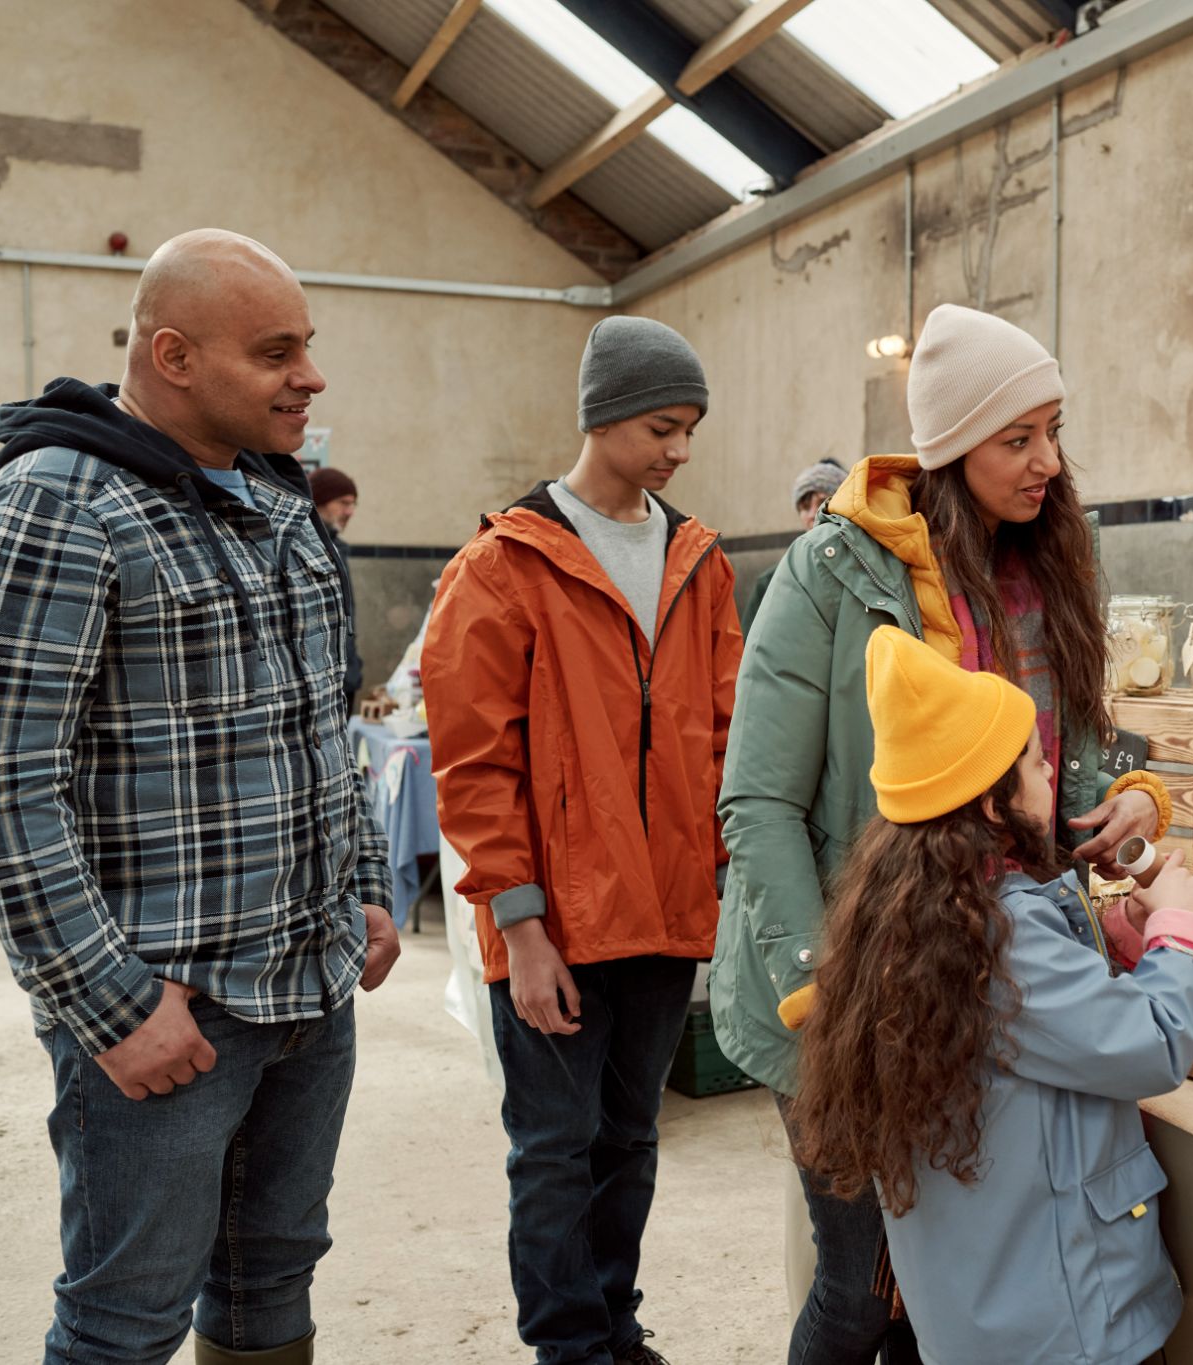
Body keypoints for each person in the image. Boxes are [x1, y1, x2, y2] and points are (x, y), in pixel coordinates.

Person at [0, 228, 399, 1365]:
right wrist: (109, 1008)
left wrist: (359, 886)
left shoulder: (280, 503)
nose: (309, 376)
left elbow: (320, 721)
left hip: (307, 997)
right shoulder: (57, 507)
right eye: (275, 352)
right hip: (169, 1017)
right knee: (123, 1322)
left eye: (306, 348)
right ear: (173, 355)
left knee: (271, 1287)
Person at [712, 303, 1177, 1364]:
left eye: (1054, 430)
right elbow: (759, 803)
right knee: (860, 1285)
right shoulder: (836, 568)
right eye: (1017, 439)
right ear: (950, 444)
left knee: (952, 1283)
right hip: (854, 974)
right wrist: (820, 984)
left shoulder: (1052, 556)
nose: (1047, 464)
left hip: (988, 963)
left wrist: (1131, 793)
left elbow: (1068, 735)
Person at [424, 316, 742, 1365]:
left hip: (664, 915)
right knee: (554, 1152)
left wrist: (725, 867)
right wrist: (518, 927)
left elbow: (733, 729)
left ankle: (612, 1320)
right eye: (662, 425)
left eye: (689, 429)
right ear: (601, 414)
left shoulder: (698, 562)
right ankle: (566, 1346)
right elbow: (473, 766)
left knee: (630, 1140)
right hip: (556, 922)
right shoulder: (503, 565)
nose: (678, 450)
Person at [791, 627, 1193, 1365]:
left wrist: (1116, 932)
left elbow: (1033, 1015)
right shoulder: (1001, 937)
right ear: (992, 803)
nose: (1052, 772)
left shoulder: (918, 919)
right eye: (1036, 761)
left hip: (978, 1319)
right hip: (1070, 1325)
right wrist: (1179, 931)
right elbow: (1151, 1041)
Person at [740, 459, 849, 633]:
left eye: (822, 502)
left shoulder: (859, 574)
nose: (813, 514)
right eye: (805, 507)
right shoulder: (771, 580)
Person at [308, 465, 366, 712]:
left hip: (344, 680)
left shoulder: (336, 548)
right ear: (319, 501)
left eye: (353, 504)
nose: (350, 512)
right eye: (343, 503)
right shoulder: (307, 548)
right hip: (320, 685)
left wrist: (353, 670)